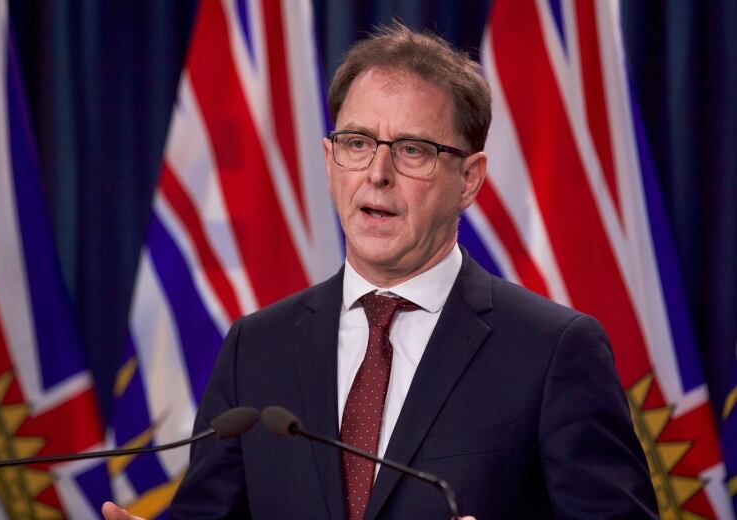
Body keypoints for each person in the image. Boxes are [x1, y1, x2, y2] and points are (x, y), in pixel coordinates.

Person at [104, 22, 657, 519]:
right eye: (358, 142)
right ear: (329, 160)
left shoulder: (552, 349)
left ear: (469, 178)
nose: (377, 173)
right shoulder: (258, 346)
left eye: (413, 150)